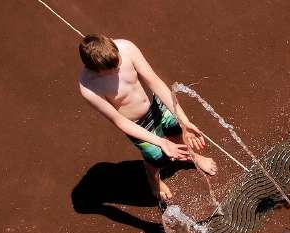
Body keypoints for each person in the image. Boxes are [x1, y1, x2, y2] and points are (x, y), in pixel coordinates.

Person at [77, 35, 217, 204]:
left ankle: (192, 156)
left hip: (156, 106)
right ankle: (153, 179)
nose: (117, 70)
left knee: (176, 131)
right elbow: (120, 121)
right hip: (137, 124)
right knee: (157, 157)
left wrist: (185, 120)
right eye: (111, 69)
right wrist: (160, 142)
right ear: (95, 69)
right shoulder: (88, 87)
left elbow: (155, 82)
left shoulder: (127, 48)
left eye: (118, 63)